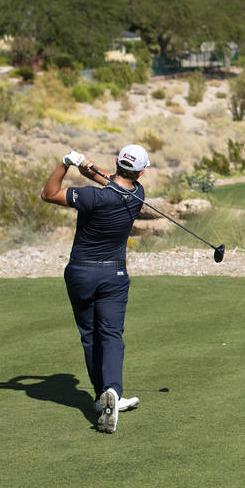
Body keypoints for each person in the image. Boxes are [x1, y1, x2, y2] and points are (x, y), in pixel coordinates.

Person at [41, 144, 150, 433]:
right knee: (111, 334)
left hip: (81, 273)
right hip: (114, 274)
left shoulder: (90, 197)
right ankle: (112, 390)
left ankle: (102, 396)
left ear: (116, 162)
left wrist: (66, 163)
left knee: (90, 334)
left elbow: (49, 193)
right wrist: (87, 168)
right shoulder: (137, 195)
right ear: (141, 172)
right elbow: (112, 183)